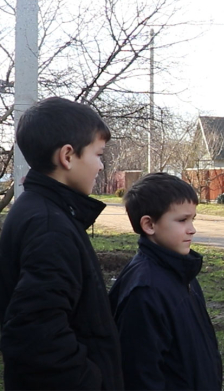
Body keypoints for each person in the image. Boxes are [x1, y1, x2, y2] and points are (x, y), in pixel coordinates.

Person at [0, 97, 123, 389]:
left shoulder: (37, 208)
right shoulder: (50, 228)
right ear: (67, 156)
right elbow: (36, 336)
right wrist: (94, 381)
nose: (101, 166)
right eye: (98, 154)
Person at [108, 172, 223, 390]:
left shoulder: (182, 272)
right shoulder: (144, 290)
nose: (192, 229)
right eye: (182, 220)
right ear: (149, 225)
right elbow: (139, 375)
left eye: (193, 219)